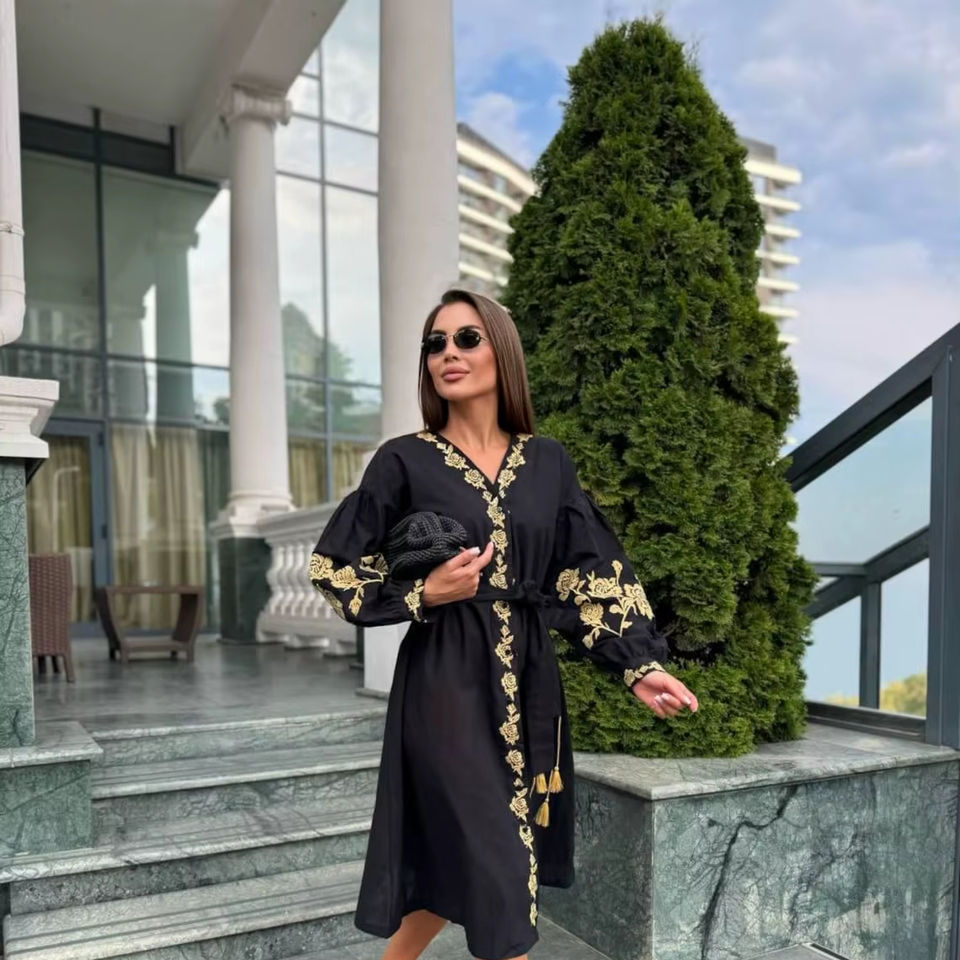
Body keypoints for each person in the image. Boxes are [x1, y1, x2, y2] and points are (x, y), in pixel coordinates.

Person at [308, 288, 699, 960]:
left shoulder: (548, 463)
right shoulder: (404, 460)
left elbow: (589, 569)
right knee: (500, 865)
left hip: (530, 683)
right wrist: (423, 592)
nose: (448, 354)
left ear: (502, 352)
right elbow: (334, 566)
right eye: (435, 343)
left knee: (457, 867)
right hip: (444, 686)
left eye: (467, 338)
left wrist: (639, 664)